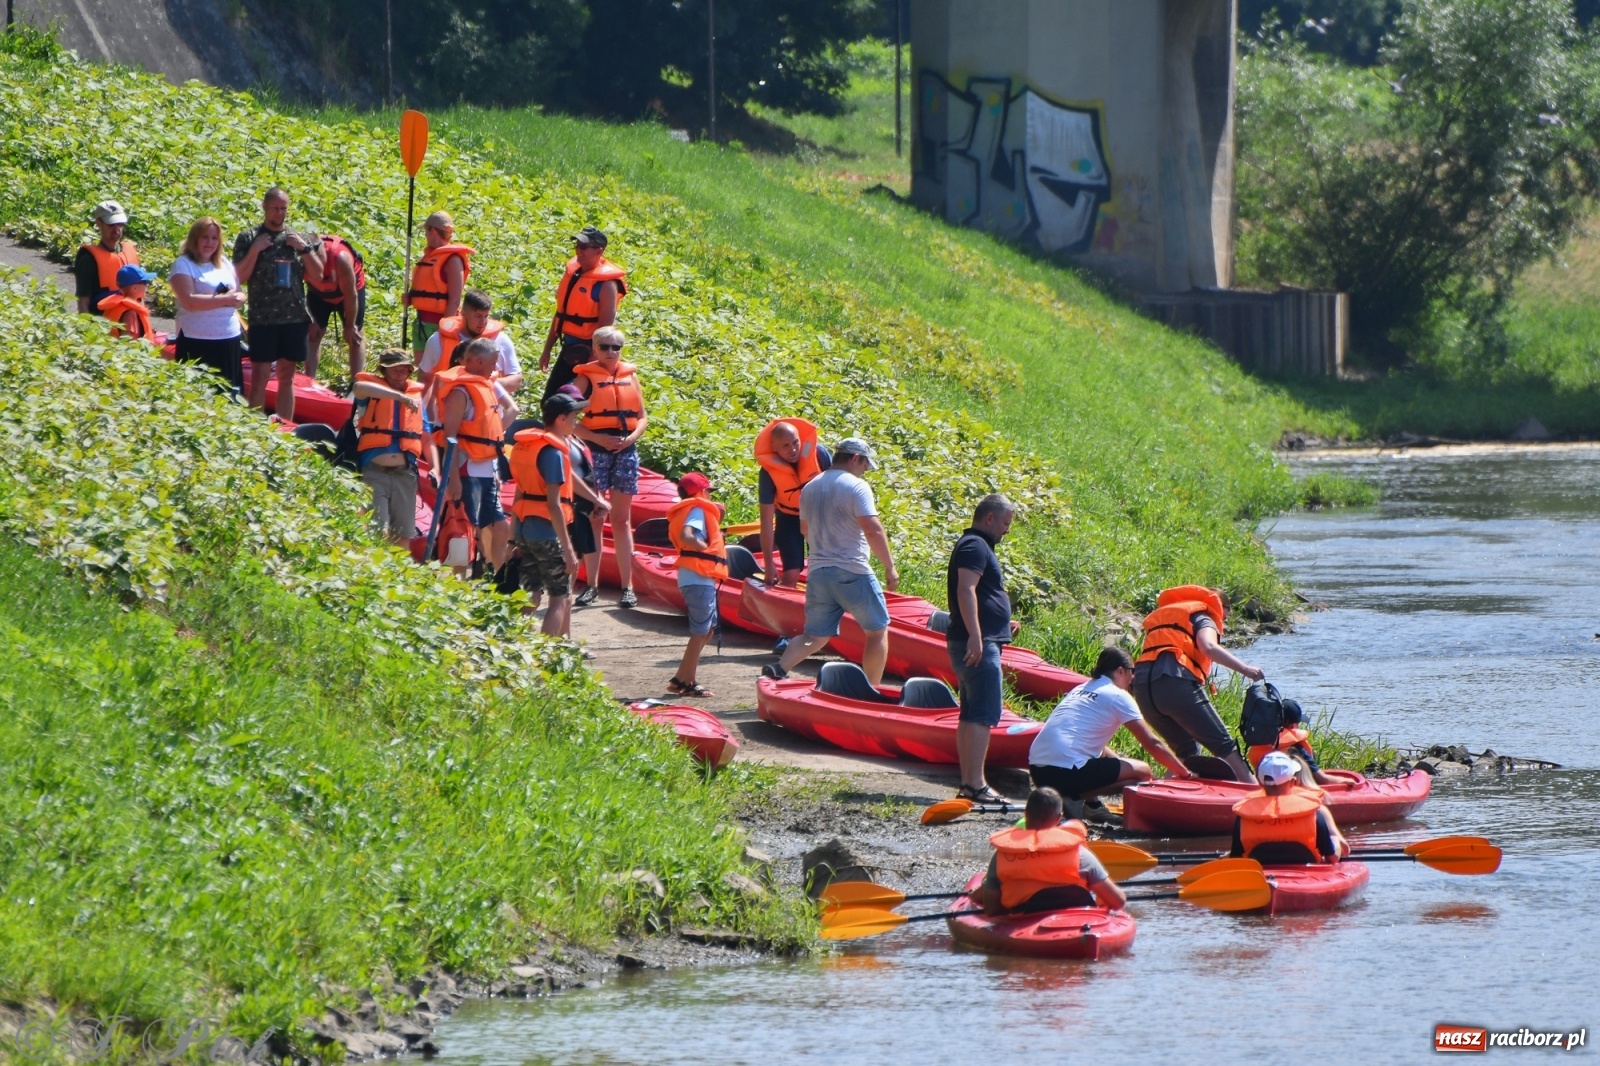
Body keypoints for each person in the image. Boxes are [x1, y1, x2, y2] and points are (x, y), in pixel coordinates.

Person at [762, 438, 898, 684]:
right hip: (852, 570)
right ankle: (871, 689)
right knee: (877, 632)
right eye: (865, 465)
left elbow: (804, 530)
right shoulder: (857, 486)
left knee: (814, 636)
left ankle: (779, 668)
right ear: (855, 459)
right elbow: (873, 529)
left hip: (818, 572)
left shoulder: (810, 487)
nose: (864, 471)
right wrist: (889, 567)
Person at [1028, 647, 1197, 817]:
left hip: (1038, 771)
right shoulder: (1117, 695)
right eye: (1132, 671)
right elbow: (1152, 743)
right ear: (1120, 671)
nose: (1133, 677)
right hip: (1064, 772)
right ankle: (1075, 798)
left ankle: (1092, 806)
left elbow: (1091, 745)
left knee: (1102, 755)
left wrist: (1118, 764)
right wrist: (1185, 773)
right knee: (1143, 773)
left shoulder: (1080, 688)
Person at [1131, 584, 1263, 783]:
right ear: (1221, 606)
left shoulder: (1169, 615)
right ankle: (1255, 792)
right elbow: (1208, 647)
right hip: (1174, 683)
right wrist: (1246, 669)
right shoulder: (1203, 616)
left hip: (1142, 690)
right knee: (1225, 746)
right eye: (1225, 617)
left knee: (1186, 750)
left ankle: (1163, 792)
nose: (1222, 622)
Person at [508, 390, 609, 637]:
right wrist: (568, 549)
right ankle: (549, 655)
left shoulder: (528, 447)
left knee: (531, 593)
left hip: (524, 530)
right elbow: (554, 504)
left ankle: (515, 646)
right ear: (561, 418)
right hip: (547, 533)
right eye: (574, 417)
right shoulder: (553, 452)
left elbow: (518, 495)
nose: (577, 422)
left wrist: (512, 539)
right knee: (560, 598)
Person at [946, 493, 1018, 805]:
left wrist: (1002, 623)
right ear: (989, 518)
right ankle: (975, 784)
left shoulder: (976, 546)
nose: (1007, 530)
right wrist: (977, 636)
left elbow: (980, 594)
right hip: (978, 643)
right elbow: (966, 590)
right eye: (1005, 523)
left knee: (972, 713)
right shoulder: (975, 545)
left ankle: (969, 783)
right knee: (983, 715)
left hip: (982, 639)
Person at [233, 187, 326, 421]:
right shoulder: (249, 237)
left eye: (283, 209)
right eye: (275, 208)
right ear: (265, 207)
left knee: (287, 377)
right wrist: (255, 250)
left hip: (294, 318)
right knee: (260, 377)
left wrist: (304, 249)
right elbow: (238, 277)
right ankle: (254, 427)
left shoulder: (297, 238)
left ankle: (285, 428)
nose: (279, 213)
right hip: (262, 318)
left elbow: (318, 276)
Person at [572, 326, 647, 608]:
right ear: (595, 348)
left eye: (617, 347)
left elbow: (642, 416)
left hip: (625, 451)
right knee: (595, 516)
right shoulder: (584, 379)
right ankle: (591, 585)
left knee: (621, 520)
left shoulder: (631, 376)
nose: (611, 352)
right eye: (605, 347)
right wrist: (598, 439)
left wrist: (630, 438)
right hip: (596, 451)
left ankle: (628, 587)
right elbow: (568, 420)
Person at [971, 788, 1126, 915]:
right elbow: (1118, 901)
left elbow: (991, 910)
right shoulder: (1081, 855)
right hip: (1076, 923)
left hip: (1021, 921)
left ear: (1026, 814)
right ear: (1059, 818)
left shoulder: (1003, 856)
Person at [437, 338, 517, 579]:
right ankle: (458, 583)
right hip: (465, 471)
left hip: (487, 471)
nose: (496, 368)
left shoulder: (489, 386)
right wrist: (453, 479)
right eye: (493, 363)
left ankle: (497, 581)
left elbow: (511, 411)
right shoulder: (460, 392)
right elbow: (449, 438)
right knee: (464, 530)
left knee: (500, 527)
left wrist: (494, 444)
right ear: (480, 361)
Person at [353, 348, 432, 544]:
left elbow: (426, 437)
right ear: (383, 371)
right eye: (394, 369)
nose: (400, 373)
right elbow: (359, 387)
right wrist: (399, 397)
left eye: (404, 369)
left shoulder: (415, 397)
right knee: (378, 531)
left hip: (405, 474)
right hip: (374, 472)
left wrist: (435, 468)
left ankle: (399, 566)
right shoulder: (370, 392)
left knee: (403, 535)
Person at [539, 225, 627, 398]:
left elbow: (605, 329)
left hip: (590, 352)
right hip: (569, 348)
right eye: (578, 245)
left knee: (573, 401)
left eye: (584, 247)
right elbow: (560, 315)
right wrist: (547, 349)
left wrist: (592, 364)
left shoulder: (607, 285)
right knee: (551, 400)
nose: (579, 250)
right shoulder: (574, 274)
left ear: (599, 251)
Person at [665, 472, 726, 698]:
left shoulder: (693, 509)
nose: (710, 496)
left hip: (697, 578)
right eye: (709, 491)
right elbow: (688, 536)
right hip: (697, 578)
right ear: (701, 492)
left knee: (707, 631)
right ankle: (688, 683)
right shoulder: (698, 510)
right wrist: (706, 550)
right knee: (700, 632)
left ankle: (679, 679)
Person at [1229, 751, 1349, 864]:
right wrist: (1335, 839)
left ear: (1260, 783)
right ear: (1292, 782)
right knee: (1333, 839)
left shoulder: (1243, 817)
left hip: (1260, 872)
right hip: (1306, 872)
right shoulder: (1314, 814)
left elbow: (1236, 858)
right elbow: (1332, 858)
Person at [168, 216, 245, 390]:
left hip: (229, 338)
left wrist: (239, 298)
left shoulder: (223, 262)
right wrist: (226, 299)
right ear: (194, 238)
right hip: (197, 340)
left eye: (214, 238)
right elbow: (189, 301)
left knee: (229, 393)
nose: (210, 243)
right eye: (205, 237)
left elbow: (239, 292)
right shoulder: (183, 264)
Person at [753, 418, 831, 586]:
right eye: (786, 446)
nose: (793, 449)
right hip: (788, 518)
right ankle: (783, 597)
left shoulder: (819, 455)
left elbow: (839, 490)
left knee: (825, 571)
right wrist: (769, 565)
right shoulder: (768, 473)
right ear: (775, 448)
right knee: (791, 573)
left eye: (795, 442)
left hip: (818, 517)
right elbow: (766, 521)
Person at [418, 289, 522, 391]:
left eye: (486, 316)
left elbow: (516, 380)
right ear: (463, 313)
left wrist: (485, 384)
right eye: (478, 316)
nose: (483, 322)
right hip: (449, 401)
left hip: (487, 400)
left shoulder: (500, 339)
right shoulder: (437, 341)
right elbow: (424, 379)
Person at [406, 211, 472, 353]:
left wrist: (445, 330)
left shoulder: (453, 260)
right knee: (422, 366)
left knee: (440, 365)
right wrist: (410, 298)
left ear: (433, 230)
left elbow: (455, 300)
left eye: (426, 230)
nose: (425, 235)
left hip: (440, 325)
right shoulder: (429, 257)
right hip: (421, 323)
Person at [304, 233, 367, 379]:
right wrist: (309, 319)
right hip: (317, 293)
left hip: (347, 293)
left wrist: (350, 326)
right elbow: (295, 292)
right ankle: (309, 380)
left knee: (355, 335)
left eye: (319, 262)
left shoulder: (340, 259)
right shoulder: (300, 260)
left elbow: (351, 295)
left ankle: (356, 382)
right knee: (313, 334)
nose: (317, 268)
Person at [75, 200, 140, 315]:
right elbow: (83, 302)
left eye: (120, 224)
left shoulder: (130, 251)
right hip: (103, 323)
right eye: (111, 224)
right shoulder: (88, 259)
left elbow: (140, 296)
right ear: (99, 223)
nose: (116, 229)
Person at [98, 264, 158, 342]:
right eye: (145, 282)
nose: (147, 286)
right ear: (134, 288)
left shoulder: (116, 306)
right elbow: (129, 341)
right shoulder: (130, 313)